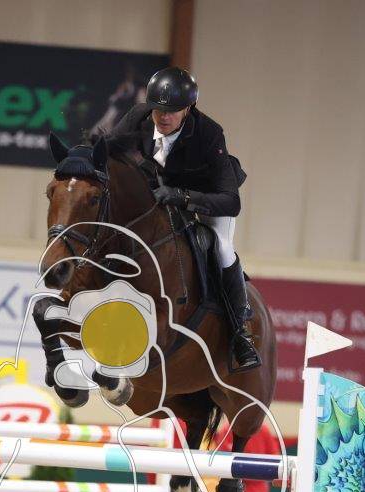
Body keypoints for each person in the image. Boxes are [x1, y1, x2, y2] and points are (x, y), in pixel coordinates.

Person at [108, 66, 260, 372]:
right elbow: (107, 152)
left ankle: (240, 334)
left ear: (188, 108)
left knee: (221, 247)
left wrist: (183, 197)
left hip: (204, 198)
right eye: (158, 109)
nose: (163, 117)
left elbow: (231, 202)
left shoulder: (209, 133)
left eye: (173, 111)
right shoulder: (138, 117)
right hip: (159, 196)